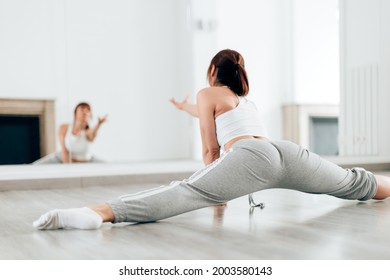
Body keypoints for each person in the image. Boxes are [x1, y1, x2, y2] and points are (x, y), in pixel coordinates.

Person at [33, 49, 390, 230]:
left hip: (248, 156)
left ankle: (97, 213)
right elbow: (217, 117)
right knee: (352, 182)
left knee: (187, 191)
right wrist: (184, 107)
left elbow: (211, 149)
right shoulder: (242, 100)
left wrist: (216, 194)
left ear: (212, 71)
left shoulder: (209, 93)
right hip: (284, 151)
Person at [33, 102, 107, 164]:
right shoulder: (64, 127)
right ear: (75, 113)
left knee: (108, 167)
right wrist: (69, 166)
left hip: (87, 161)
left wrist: (99, 124)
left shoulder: (88, 132)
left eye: (88, 110)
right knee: (36, 166)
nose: (85, 112)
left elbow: (92, 131)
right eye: (82, 109)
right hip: (63, 159)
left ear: (90, 115)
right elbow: (64, 150)